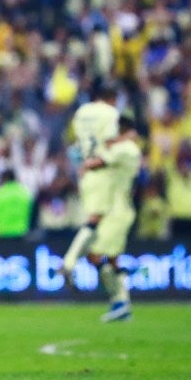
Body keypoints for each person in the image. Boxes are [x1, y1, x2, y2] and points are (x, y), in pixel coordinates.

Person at [79, 116, 143, 322]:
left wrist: (86, 162)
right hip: (114, 210)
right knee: (112, 258)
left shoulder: (123, 149)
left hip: (116, 211)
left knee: (94, 255)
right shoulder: (123, 150)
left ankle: (120, 301)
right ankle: (121, 304)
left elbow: (95, 163)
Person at [60, 85, 120, 286]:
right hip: (102, 171)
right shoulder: (111, 113)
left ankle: (115, 292)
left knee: (97, 225)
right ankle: (69, 262)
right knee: (99, 221)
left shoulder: (81, 113)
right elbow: (112, 143)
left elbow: (74, 145)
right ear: (111, 99)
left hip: (85, 173)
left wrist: (81, 164)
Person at [0, 169, 34, 240]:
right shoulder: (25, 193)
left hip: (1, 233)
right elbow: (31, 213)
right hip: (20, 232)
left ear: (4, 179)